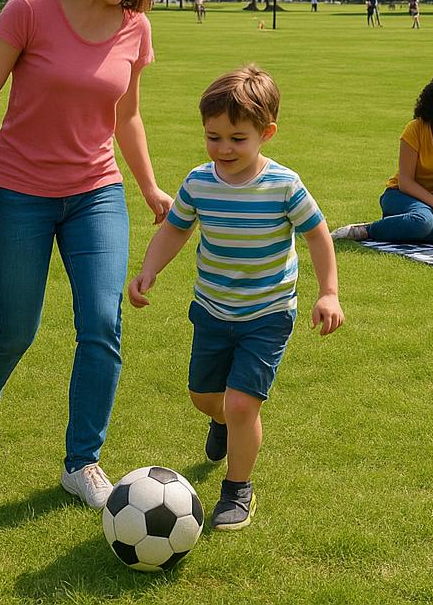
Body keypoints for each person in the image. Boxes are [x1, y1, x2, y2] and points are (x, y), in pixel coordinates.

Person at [0, 0, 174, 509]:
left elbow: (125, 116)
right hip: (16, 191)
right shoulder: (30, 6)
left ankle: (83, 462)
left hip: (94, 194)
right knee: (17, 326)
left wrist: (149, 186)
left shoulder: (136, 27)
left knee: (102, 323)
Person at [127, 66, 344, 531]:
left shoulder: (283, 184)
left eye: (237, 138)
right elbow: (175, 229)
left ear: (266, 134)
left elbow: (318, 235)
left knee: (244, 403)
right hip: (211, 309)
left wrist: (329, 292)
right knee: (206, 398)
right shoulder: (199, 182)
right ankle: (221, 422)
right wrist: (148, 269)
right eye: (214, 137)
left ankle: (237, 488)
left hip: (267, 314)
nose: (224, 149)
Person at [331, 72, 433, 245]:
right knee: (423, 221)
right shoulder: (415, 129)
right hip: (400, 195)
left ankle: (400, 226)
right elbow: (405, 182)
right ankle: (365, 230)